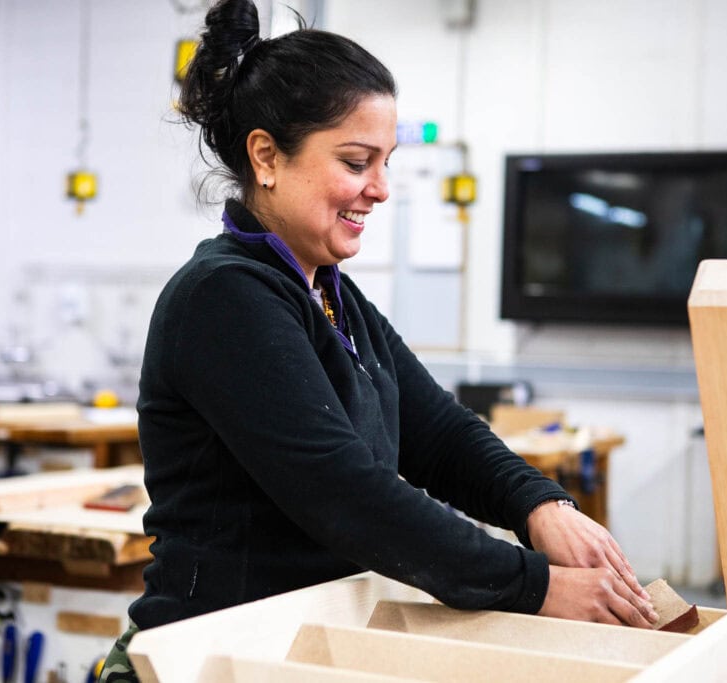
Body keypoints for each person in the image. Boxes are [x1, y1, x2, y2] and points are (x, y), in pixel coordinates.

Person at [100, 1, 656, 679]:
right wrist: (534, 583)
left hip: (302, 641)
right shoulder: (224, 298)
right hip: (209, 655)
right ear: (267, 156)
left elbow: (439, 433)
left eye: (386, 162)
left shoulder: (328, 290)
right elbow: (348, 496)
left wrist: (538, 504)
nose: (382, 190)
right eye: (357, 161)